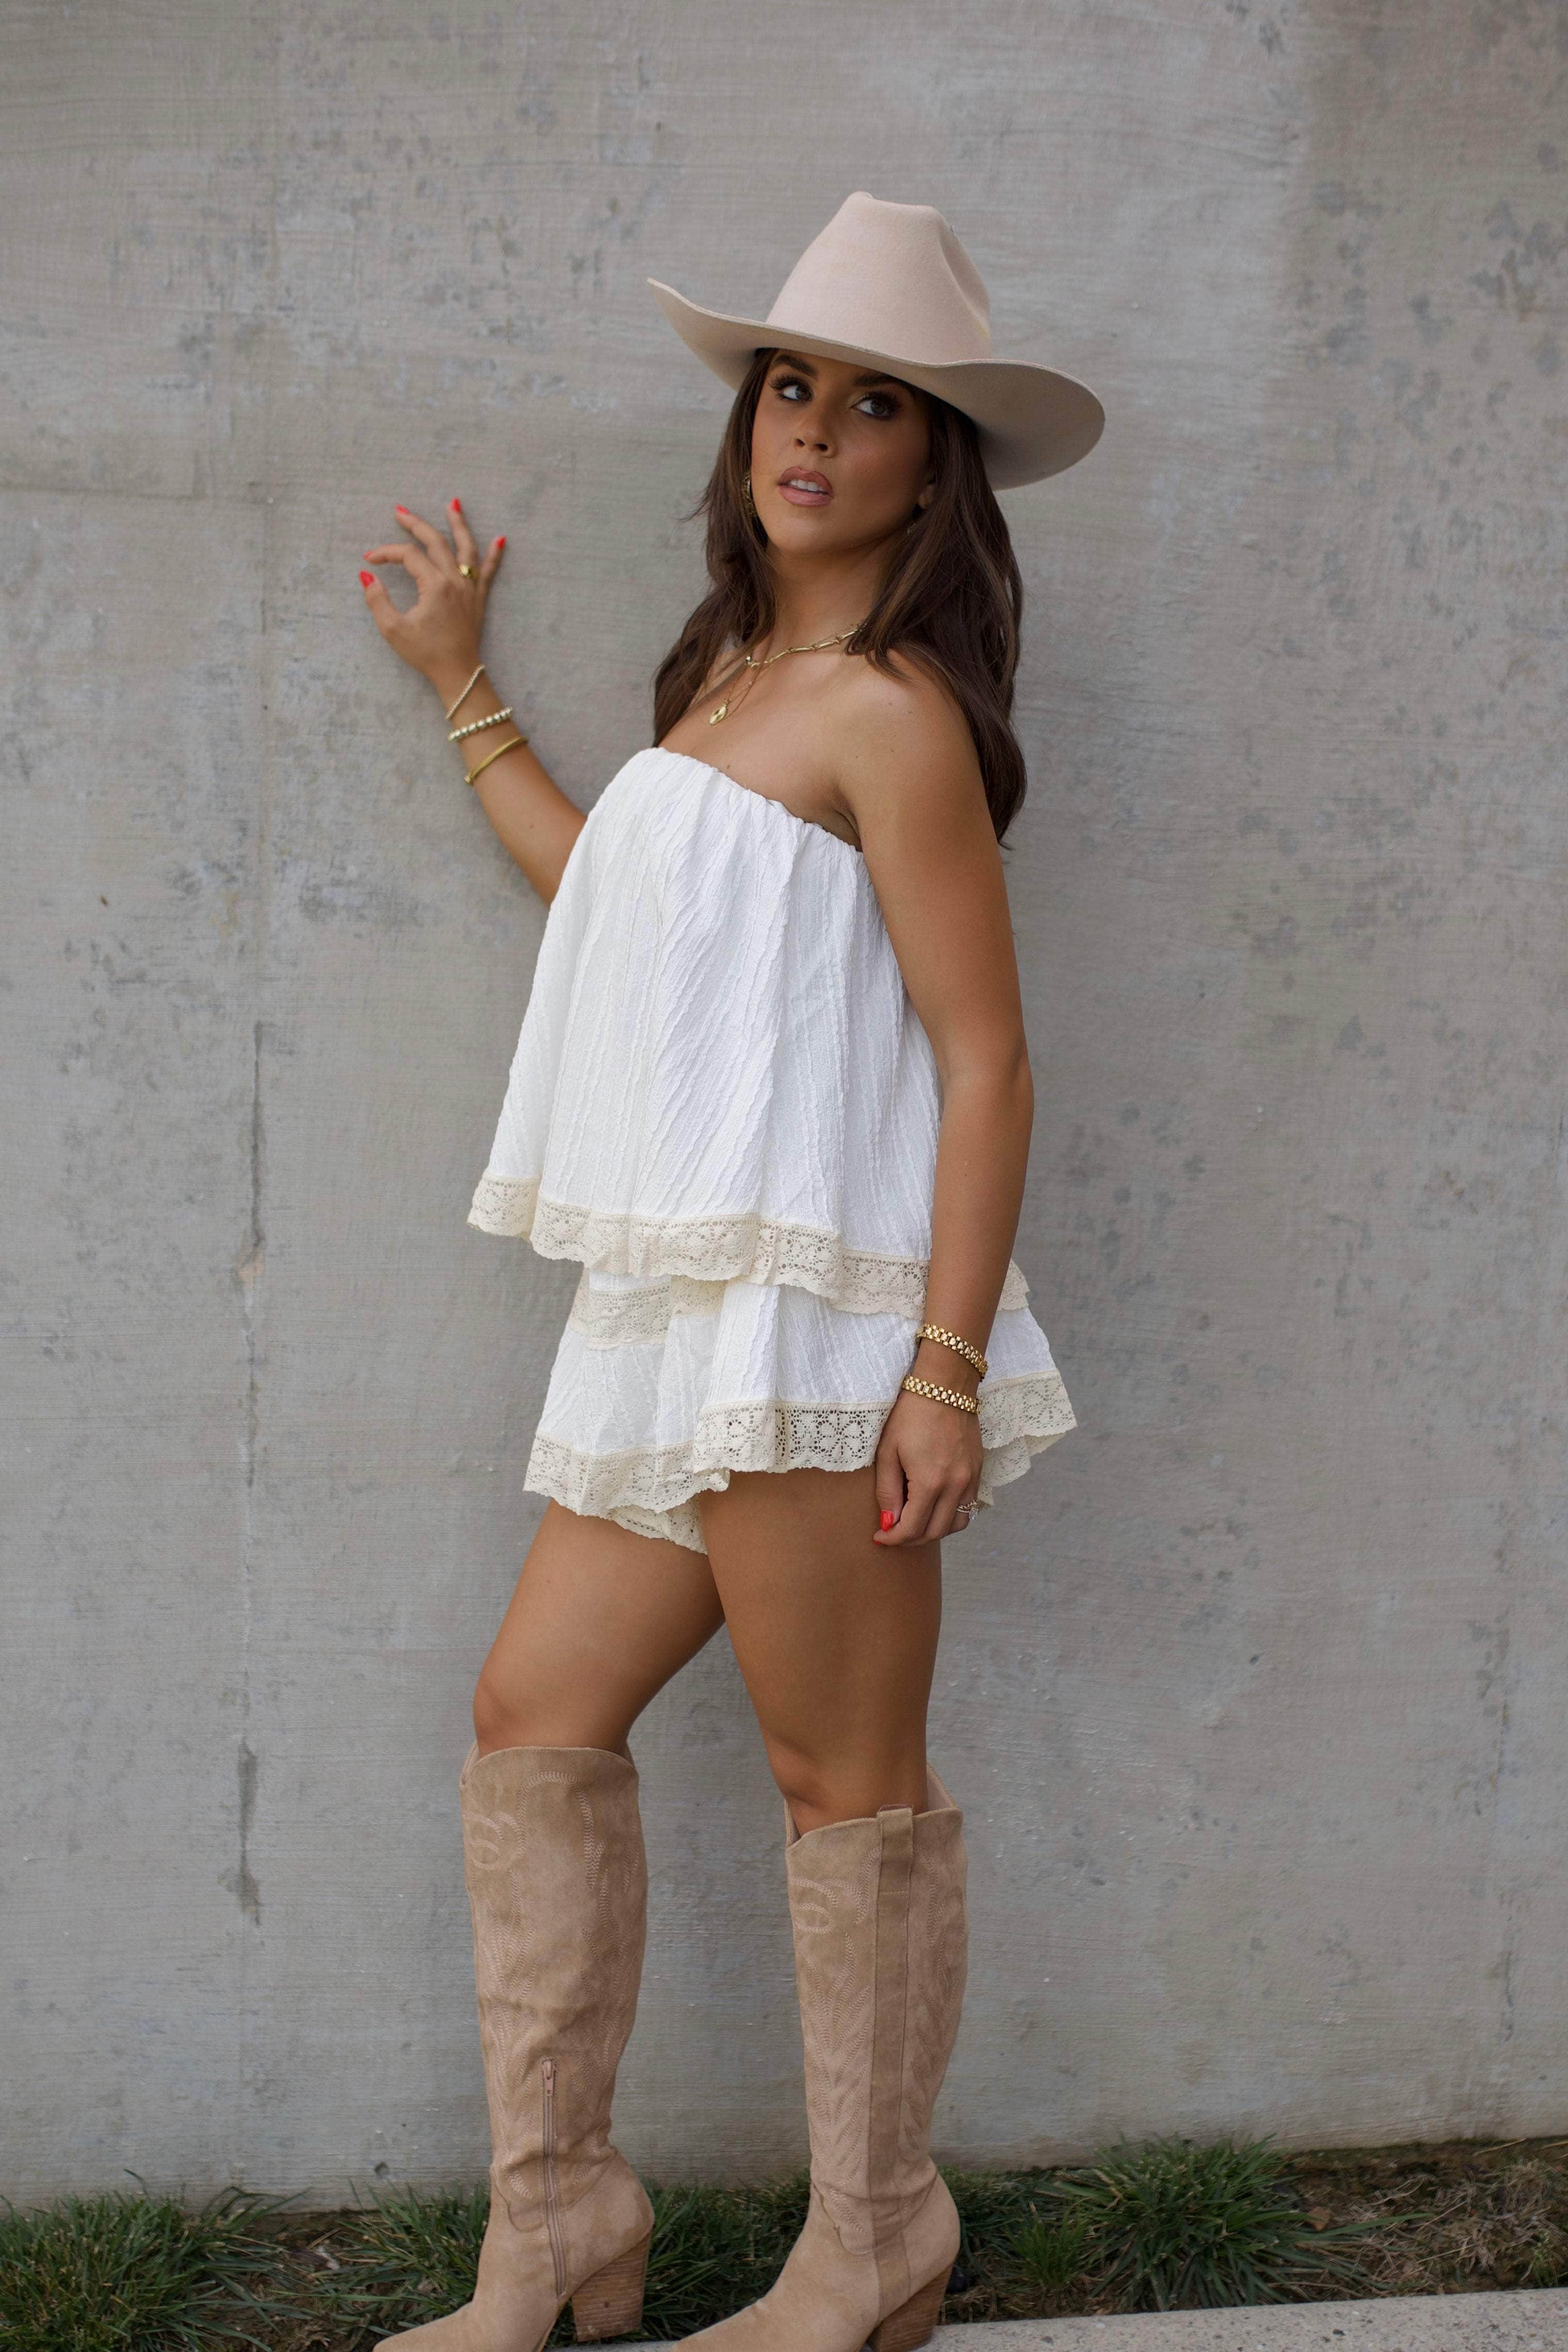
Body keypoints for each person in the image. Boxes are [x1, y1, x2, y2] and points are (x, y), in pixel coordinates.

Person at [360, 191, 1103, 2352]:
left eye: (873, 406)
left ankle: (872, 2248)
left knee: (840, 1788)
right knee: (531, 1719)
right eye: (791, 386)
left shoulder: (893, 714)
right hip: (679, 1311)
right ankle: (558, 2233)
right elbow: (609, 906)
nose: (814, 432)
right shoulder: (725, 685)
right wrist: (465, 691)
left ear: (931, 467)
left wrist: (940, 1371)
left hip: (817, 1322)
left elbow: (988, 1058)